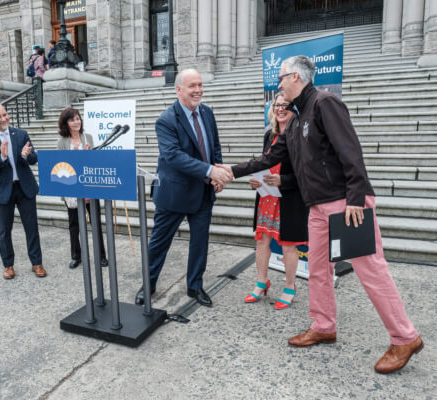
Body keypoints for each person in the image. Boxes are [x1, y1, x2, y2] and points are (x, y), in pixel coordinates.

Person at [219, 56, 422, 374]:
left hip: (345, 204)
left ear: (297, 77)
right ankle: (324, 325)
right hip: (317, 208)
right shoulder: (297, 119)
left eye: (282, 77)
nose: (279, 83)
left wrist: (356, 196)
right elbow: (271, 156)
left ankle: (404, 337)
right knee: (317, 270)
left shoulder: (325, 103)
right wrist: (231, 170)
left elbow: (350, 150)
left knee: (371, 272)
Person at [134, 68, 231, 307]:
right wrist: (209, 171)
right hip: (174, 193)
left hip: (203, 193)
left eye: (200, 84)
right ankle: (148, 284)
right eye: (192, 86)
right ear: (179, 89)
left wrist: (216, 173)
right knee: (159, 243)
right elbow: (173, 156)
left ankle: (194, 286)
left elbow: (214, 146)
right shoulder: (166, 120)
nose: (198, 90)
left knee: (200, 242)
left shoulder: (207, 113)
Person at [245, 93, 308, 309]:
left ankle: (290, 287)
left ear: (295, 110)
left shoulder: (301, 136)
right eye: (277, 105)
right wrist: (256, 181)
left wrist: (283, 180)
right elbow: (263, 163)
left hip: (289, 199)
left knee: (289, 246)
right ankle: (261, 283)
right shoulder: (269, 135)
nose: (281, 109)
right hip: (266, 197)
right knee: (261, 243)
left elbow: (307, 174)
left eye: (286, 106)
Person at [0, 102, 46, 279]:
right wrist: (2, 157)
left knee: (32, 227)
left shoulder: (21, 134)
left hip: (25, 188)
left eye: (4, 114)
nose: (3, 119)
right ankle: (8, 265)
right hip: (1, 190)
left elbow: (33, 158)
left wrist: (25, 155)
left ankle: (36, 263)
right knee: (4, 231)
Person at [56, 107, 108, 269]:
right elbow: (62, 165)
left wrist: (88, 156)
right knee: (74, 224)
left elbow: (93, 163)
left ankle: (101, 256)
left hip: (89, 186)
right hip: (71, 187)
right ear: (66, 123)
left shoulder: (89, 138)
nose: (76, 122)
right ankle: (76, 256)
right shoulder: (62, 142)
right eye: (72, 120)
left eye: (78, 118)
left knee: (95, 222)